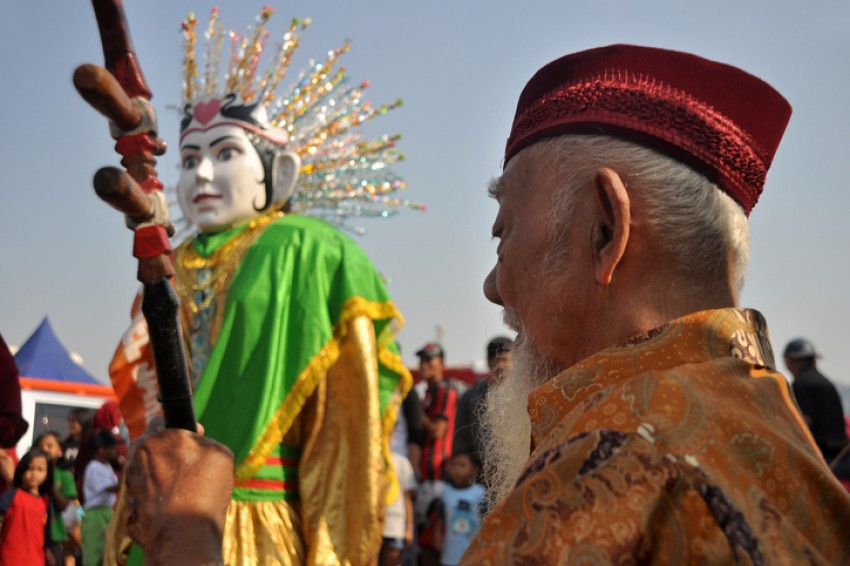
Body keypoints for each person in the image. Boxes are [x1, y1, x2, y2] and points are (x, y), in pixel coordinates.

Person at [117, 44, 850, 564]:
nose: (493, 288)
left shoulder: (619, 468)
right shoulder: (780, 444)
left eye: (505, 234)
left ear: (606, 229)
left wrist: (189, 540)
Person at [104, 8, 413, 565]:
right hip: (164, 509)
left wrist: (337, 549)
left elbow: (349, 426)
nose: (199, 175)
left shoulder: (308, 249)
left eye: (225, 153)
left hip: (259, 524)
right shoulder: (170, 262)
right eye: (191, 157)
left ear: (281, 173)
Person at [415, 342, 457, 560]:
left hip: (438, 476)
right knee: (424, 544)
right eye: (422, 360)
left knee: (433, 543)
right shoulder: (430, 392)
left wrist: (415, 411)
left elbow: (437, 430)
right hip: (426, 476)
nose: (424, 365)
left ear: (442, 364)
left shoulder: (444, 390)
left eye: (429, 360)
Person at [784, 339, 849, 469]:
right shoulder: (826, 382)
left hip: (821, 454)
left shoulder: (801, 384)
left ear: (789, 360)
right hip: (839, 452)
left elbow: (804, 422)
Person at [454, 337, 513, 462]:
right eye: (502, 359)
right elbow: (460, 437)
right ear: (489, 362)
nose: (508, 366)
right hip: (479, 470)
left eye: (512, 360)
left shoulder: (521, 395)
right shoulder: (471, 396)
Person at [0, 448, 54, 565]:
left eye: (40, 470)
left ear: (47, 473)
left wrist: (48, 550)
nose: (34, 473)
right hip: (10, 559)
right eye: (30, 468)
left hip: (36, 560)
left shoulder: (45, 501)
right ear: (22, 470)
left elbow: (47, 531)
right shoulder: (12, 495)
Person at [432, 452, 485, 566]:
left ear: (474, 470)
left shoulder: (480, 493)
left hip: (474, 554)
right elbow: (440, 518)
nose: (457, 469)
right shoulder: (446, 492)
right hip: (449, 555)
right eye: (453, 465)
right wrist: (437, 535)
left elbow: (487, 520)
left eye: (462, 465)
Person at [36, 432, 78, 566]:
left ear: (60, 452)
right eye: (41, 446)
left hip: (56, 534)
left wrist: (51, 486)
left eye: (50, 445)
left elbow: (69, 508)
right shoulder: (33, 473)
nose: (44, 449)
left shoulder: (64, 475)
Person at [82, 430, 119, 566]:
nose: (116, 451)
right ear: (102, 449)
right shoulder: (94, 467)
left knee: (108, 551)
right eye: (113, 448)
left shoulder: (107, 467)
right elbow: (111, 488)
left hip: (107, 513)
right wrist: (128, 474)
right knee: (95, 552)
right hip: (96, 515)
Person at [380, 452, 417, 566]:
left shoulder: (402, 462)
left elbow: (407, 498)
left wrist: (409, 527)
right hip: (372, 524)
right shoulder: (367, 460)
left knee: (393, 560)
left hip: (394, 526)